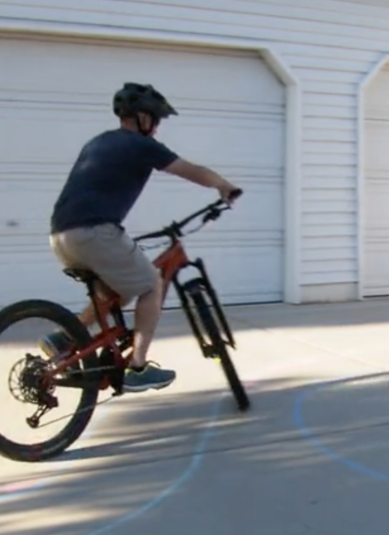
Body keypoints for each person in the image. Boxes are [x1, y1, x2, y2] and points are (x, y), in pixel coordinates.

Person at [38, 82, 241, 393]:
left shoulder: (98, 142)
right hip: (94, 232)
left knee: (118, 290)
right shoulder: (139, 145)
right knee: (151, 284)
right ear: (142, 117)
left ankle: (65, 337)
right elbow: (189, 170)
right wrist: (222, 185)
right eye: (156, 119)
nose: (157, 127)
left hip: (62, 236)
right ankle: (138, 367)